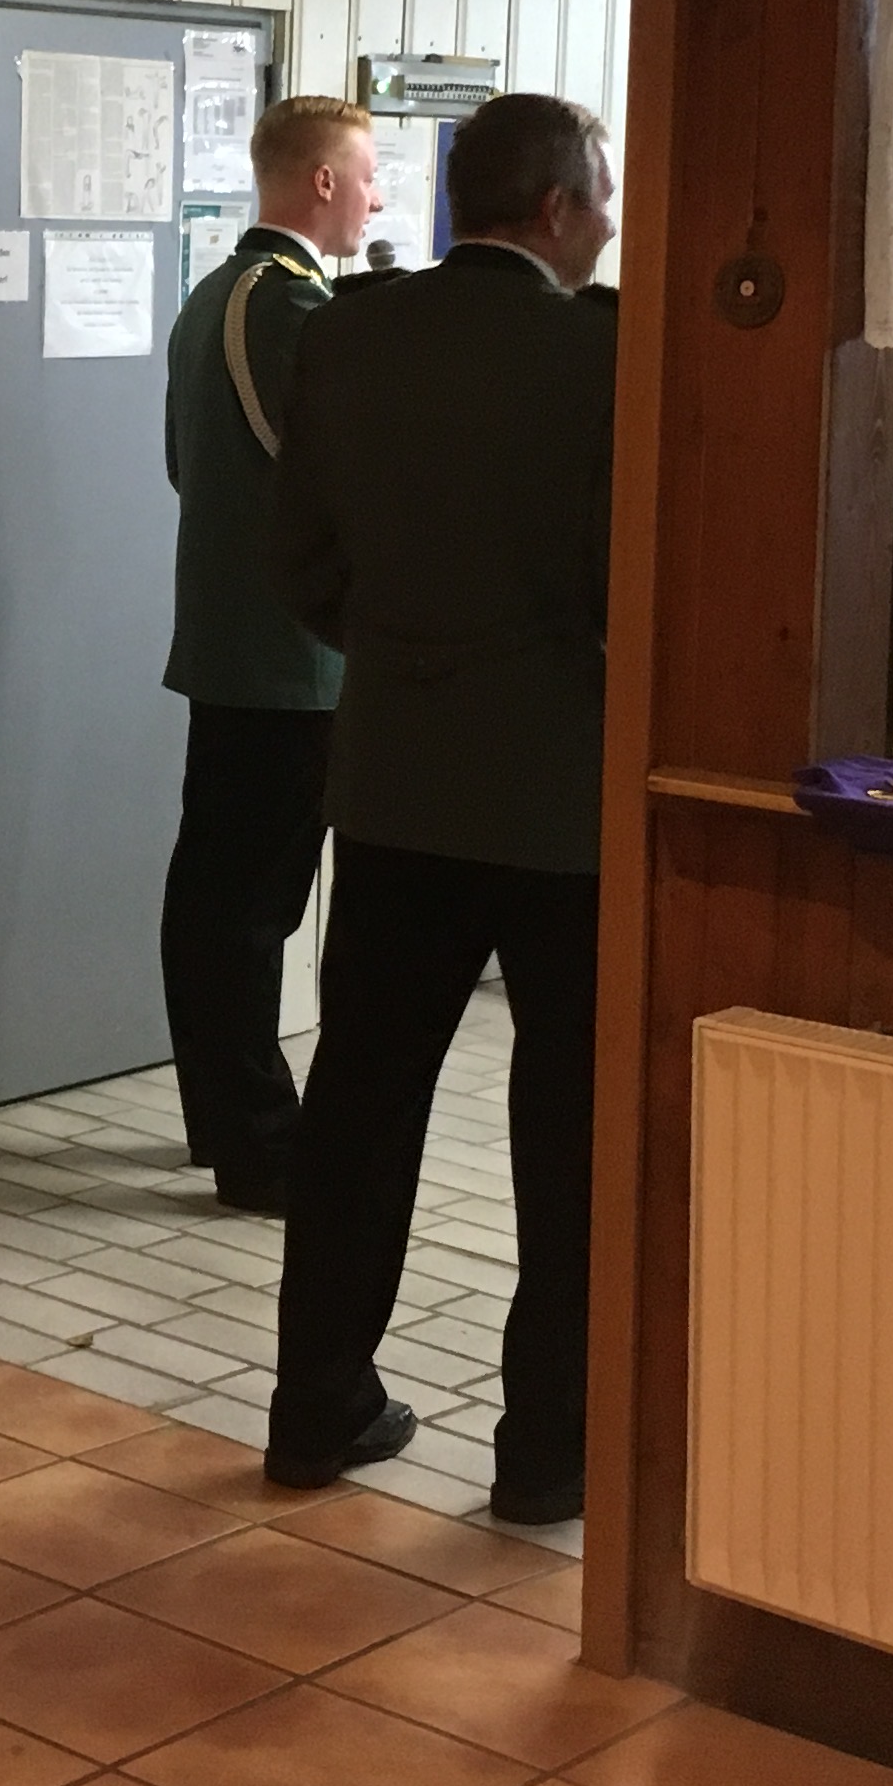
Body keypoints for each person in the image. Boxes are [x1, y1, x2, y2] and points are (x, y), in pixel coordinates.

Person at [264, 91, 618, 1526]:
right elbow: (625, 576)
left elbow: (302, 566)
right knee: (568, 1123)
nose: (608, 227)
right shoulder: (601, 354)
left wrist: (409, 655)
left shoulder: (348, 333)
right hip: (564, 792)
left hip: (394, 777)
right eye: (601, 199)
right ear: (557, 207)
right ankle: (545, 1453)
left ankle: (316, 1405)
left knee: (359, 1100)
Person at [150, 93, 379, 1218]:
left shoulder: (216, 295)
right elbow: (338, 478)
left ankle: (223, 1120)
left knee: (221, 893)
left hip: (244, 647)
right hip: (288, 660)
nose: (375, 200)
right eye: (368, 177)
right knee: (244, 907)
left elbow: (182, 464)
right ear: (323, 181)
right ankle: (256, 1143)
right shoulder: (282, 303)